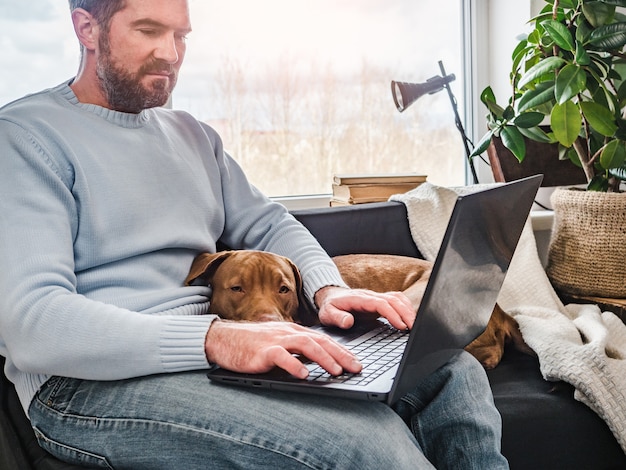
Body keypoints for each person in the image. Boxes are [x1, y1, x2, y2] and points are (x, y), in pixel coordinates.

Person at [0, 0, 509, 468]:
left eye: (181, 35)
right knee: (362, 442)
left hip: (215, 350)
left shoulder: (193, 137)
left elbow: (270, 224)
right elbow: (33, 323)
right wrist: (215, 339)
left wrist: (328, 289)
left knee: (451, 372)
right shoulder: (26, 137)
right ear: (86, 27)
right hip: (87, 383)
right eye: (149, 30)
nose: (171, 53)